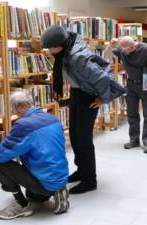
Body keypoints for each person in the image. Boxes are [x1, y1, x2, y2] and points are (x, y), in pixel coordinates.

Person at [41, 25, 125, 194]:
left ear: (59, 45)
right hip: (77, 92)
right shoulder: (66, 49)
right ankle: (81, 171)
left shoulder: (77, 57)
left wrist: (103, 98)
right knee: (74, 136)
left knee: (84, 140)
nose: (49, 51)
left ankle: (89, 179)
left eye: (51, 48)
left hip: (88, 95)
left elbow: (101, 78)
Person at [0, 90, 69, 220]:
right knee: (33, 194)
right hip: (61, 176)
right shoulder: (52, 118)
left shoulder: (24, 125)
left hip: (43, 183)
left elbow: (1, 155)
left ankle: (22, 205)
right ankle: (58, 189)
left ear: (16, 109)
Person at [109, 36, 147, 153]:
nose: (122, 51)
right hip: (131, 84)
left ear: (132, 47)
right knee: (131, 113)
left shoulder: (146, 49)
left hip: (146, 84)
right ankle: (134, 140)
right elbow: (107, 56)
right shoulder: (123, 49)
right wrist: (110, 45)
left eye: (124, 49)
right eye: (120, 48)